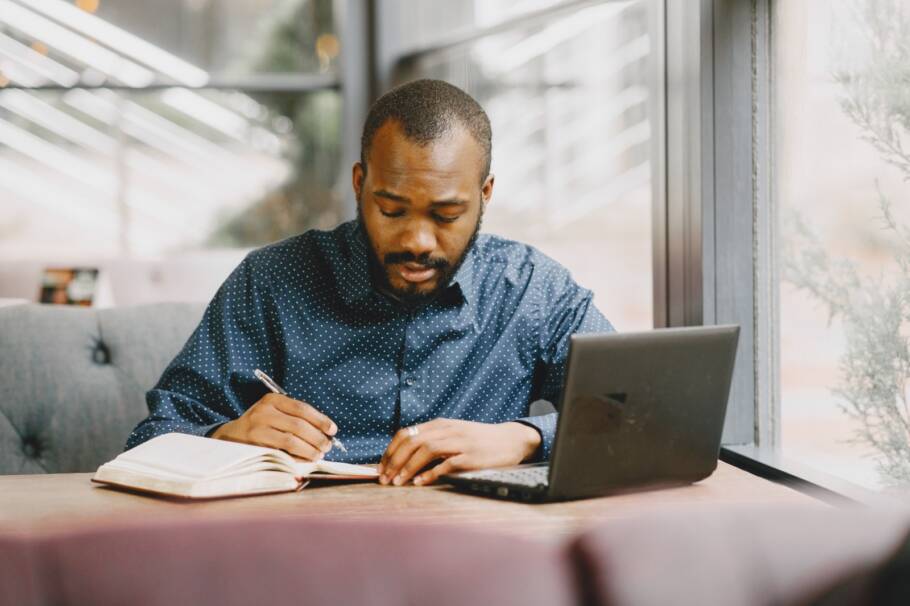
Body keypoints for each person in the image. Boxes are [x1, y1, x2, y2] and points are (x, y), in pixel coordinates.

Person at [126, 79, 614, 487]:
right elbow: (151, 438)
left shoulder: (532, 290)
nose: (418, 241)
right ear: (360, 184)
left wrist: (523, 437)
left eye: (447, 214)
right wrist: (226, 435)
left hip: (478, 555)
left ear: (484, 194)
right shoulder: (271, 281)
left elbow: (641, 409)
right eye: (392, 210)